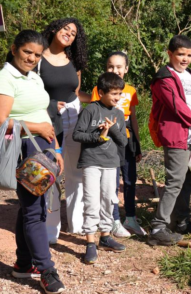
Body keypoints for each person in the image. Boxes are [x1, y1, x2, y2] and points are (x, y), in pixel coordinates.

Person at [0, 30, 66, 293]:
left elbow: (44, 114)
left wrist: (57, 149)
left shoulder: (35, 78)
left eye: (37, 55)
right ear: (15, 48)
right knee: (35, 210)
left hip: (44, 147)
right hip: (25, 147)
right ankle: (46, 269)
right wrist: (37, 127)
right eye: (27, 52)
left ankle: (24, 263)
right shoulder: (5, 77)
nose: (31, 58)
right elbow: (2, 122)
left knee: (31, 205)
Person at [148, 35, 191, 246]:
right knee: (175, 181)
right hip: (177, 135)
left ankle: (181, 222)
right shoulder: (163, 78)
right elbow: (176, 106)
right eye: (180, 54)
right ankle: (158, 226)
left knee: (188, 179)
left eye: (189, 55)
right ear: (170, 53)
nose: (185, 59)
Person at [40, 18, 90, 243]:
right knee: (52, 173)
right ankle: (51, 230)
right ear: (54, 29)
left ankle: (77, 223)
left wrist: (101, 99)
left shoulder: (73, 59)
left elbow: (77, 92)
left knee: (75, 172)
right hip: (49, 119)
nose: (69, 33)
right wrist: (50, 105)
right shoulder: (37, 57)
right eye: (65, 29)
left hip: (74, 117)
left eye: (73, 32)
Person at [73, 72, 128, 263]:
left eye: (119, 93)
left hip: (111, 164)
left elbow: (123, 142)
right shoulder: (90, 110)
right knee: (91, 200)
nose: (117, 97)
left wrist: (111, 128)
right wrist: (97, 137)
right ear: (101, 92)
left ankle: (105, 236)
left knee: (108, 200)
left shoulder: (119, 114)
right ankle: (90, 241)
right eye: (113, 93)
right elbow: (77, 134)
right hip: (91, 162)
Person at [91, 52, 146, 236]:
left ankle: (130, 218)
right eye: (111, 66)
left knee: (130, 180)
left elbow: (134, 118)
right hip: (109, 142)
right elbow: (94, 116)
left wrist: (137, 144)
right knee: (111, 182)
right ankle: (112, 219)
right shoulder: (98, 90)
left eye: (119, 67)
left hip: (128, 141)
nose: (115, 70)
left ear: (126, 69)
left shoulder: (130, 91)